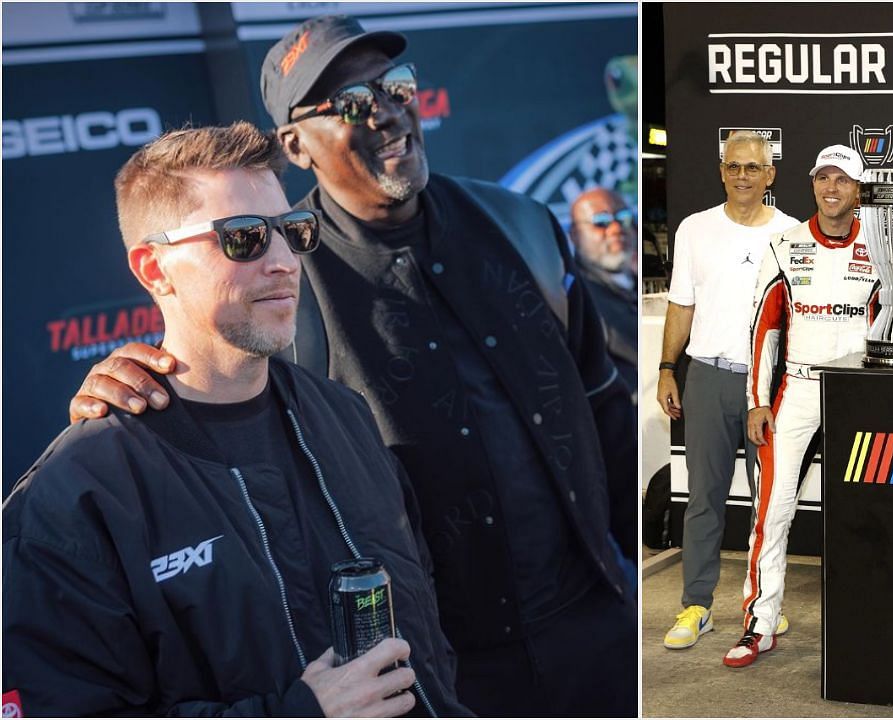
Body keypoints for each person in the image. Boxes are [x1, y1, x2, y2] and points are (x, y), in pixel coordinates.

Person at [65, 16, 636, 717]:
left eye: (396, 87)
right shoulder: (279, 281)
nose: (390, 112)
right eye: (354, 103)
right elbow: (218, 390)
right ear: (295, 145)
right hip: (437, 680)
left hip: (598, 635)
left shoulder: (521, 225)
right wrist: (136, 383)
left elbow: (605, 409)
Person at [3, 123, 469, 717]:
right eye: (244, 238)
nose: (283, 263)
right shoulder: (76, 496)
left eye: (292, 232)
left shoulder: (344, 414)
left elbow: (424, 616)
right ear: (154, 269)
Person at [726, 144, 879, 668]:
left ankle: (867, 621)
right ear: (812, 184)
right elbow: (763, 331)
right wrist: (757, 401)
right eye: (822, 178)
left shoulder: (883, 247)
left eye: (842, 179)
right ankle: (759, 627)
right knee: (772, 513)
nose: (830, 188)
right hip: (796, 391)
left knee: (868, 510)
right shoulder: (783, 245)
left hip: (860, 396)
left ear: (859, 190)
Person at [656, 131, 799, 649]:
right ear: (722, 171)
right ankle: (697, 604)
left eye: (752, 167)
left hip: (768, 384)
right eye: (733, 166)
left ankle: (764, 605)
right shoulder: (695, 229)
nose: (742, 175)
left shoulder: (790, 233)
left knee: (769, 502)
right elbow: (681, 304)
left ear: (770, 175)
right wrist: (667, 367)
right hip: (709, 376)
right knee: (703, 498)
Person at [569, 187, 638, 398]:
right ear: (575, 235)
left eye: (624, 217)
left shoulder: (638, 282)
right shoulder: (575, 297)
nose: (616, 228)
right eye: (601, 222)